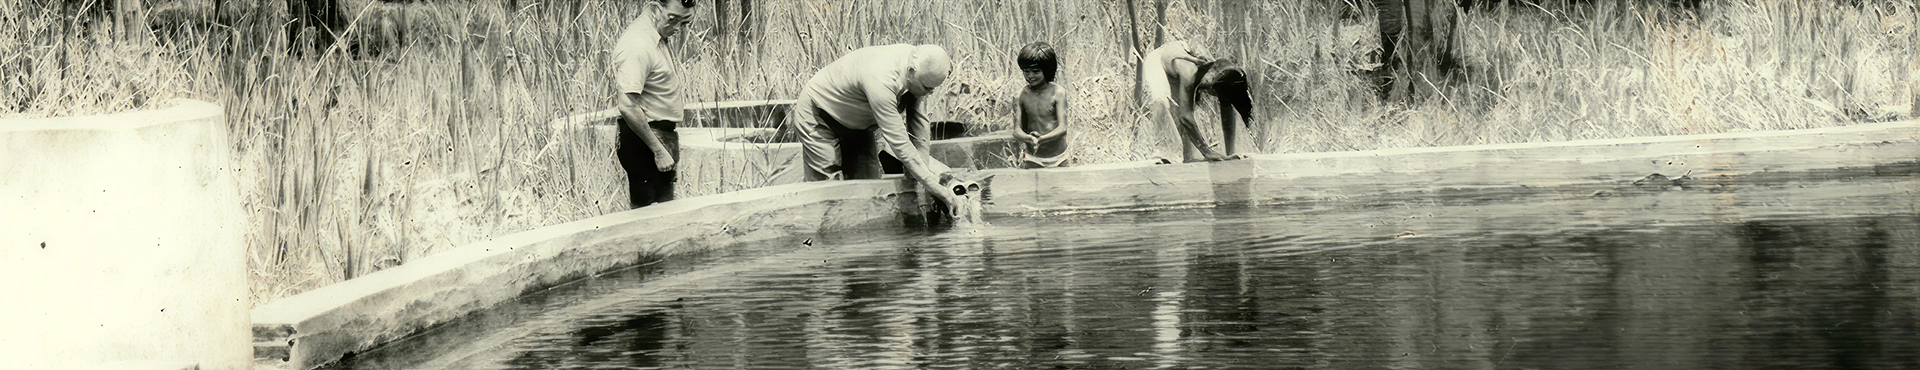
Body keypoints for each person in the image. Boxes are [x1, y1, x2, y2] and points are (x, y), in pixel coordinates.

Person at [792, 44, 968, 208]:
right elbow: (900, 143)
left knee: (868, 193)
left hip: (858, 124)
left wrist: (924, 174)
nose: (930, 93)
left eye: (934, 89)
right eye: (927, 87)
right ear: (912, 71)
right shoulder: (881, 77)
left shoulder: (918, 65)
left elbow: (919, 124)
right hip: (818, 114)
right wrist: (937, 190)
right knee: (828, 195)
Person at [612, 0, 696, 209]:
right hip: (646, 141)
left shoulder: (655, 34)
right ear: (656, 8)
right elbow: (627, 106)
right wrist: (658, 151)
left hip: (658, 136)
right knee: (649, 219)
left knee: (661, 212)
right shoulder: (638, 44)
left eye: (684, 22)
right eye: (673, 19)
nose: (677, 29)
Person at [1141, 40, 1257, 163]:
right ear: (1211, 76)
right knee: (1162, 103)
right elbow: (1185, 117)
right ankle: (1160, 155)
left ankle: (1188, 157)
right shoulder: (1189, 72)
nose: (1210, 92)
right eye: (1212, 89)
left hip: (1174, 62)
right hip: (1156, 62)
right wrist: (1207, 152)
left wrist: (1230, 154)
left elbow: (1227, 110)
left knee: (1184, 109)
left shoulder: (1219, 72)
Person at [1013, 42, 1072, 169]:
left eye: (1035, 71)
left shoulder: (1058, 92)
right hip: (1033, 158)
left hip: (1058, 157)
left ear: (1046, 70)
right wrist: (1029, 138)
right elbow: (1017, 130)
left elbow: (1063, 128)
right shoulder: (1023, 94)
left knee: (1060, 188)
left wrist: (1041, 139)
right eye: (1026, 71)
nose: (1030, 76)